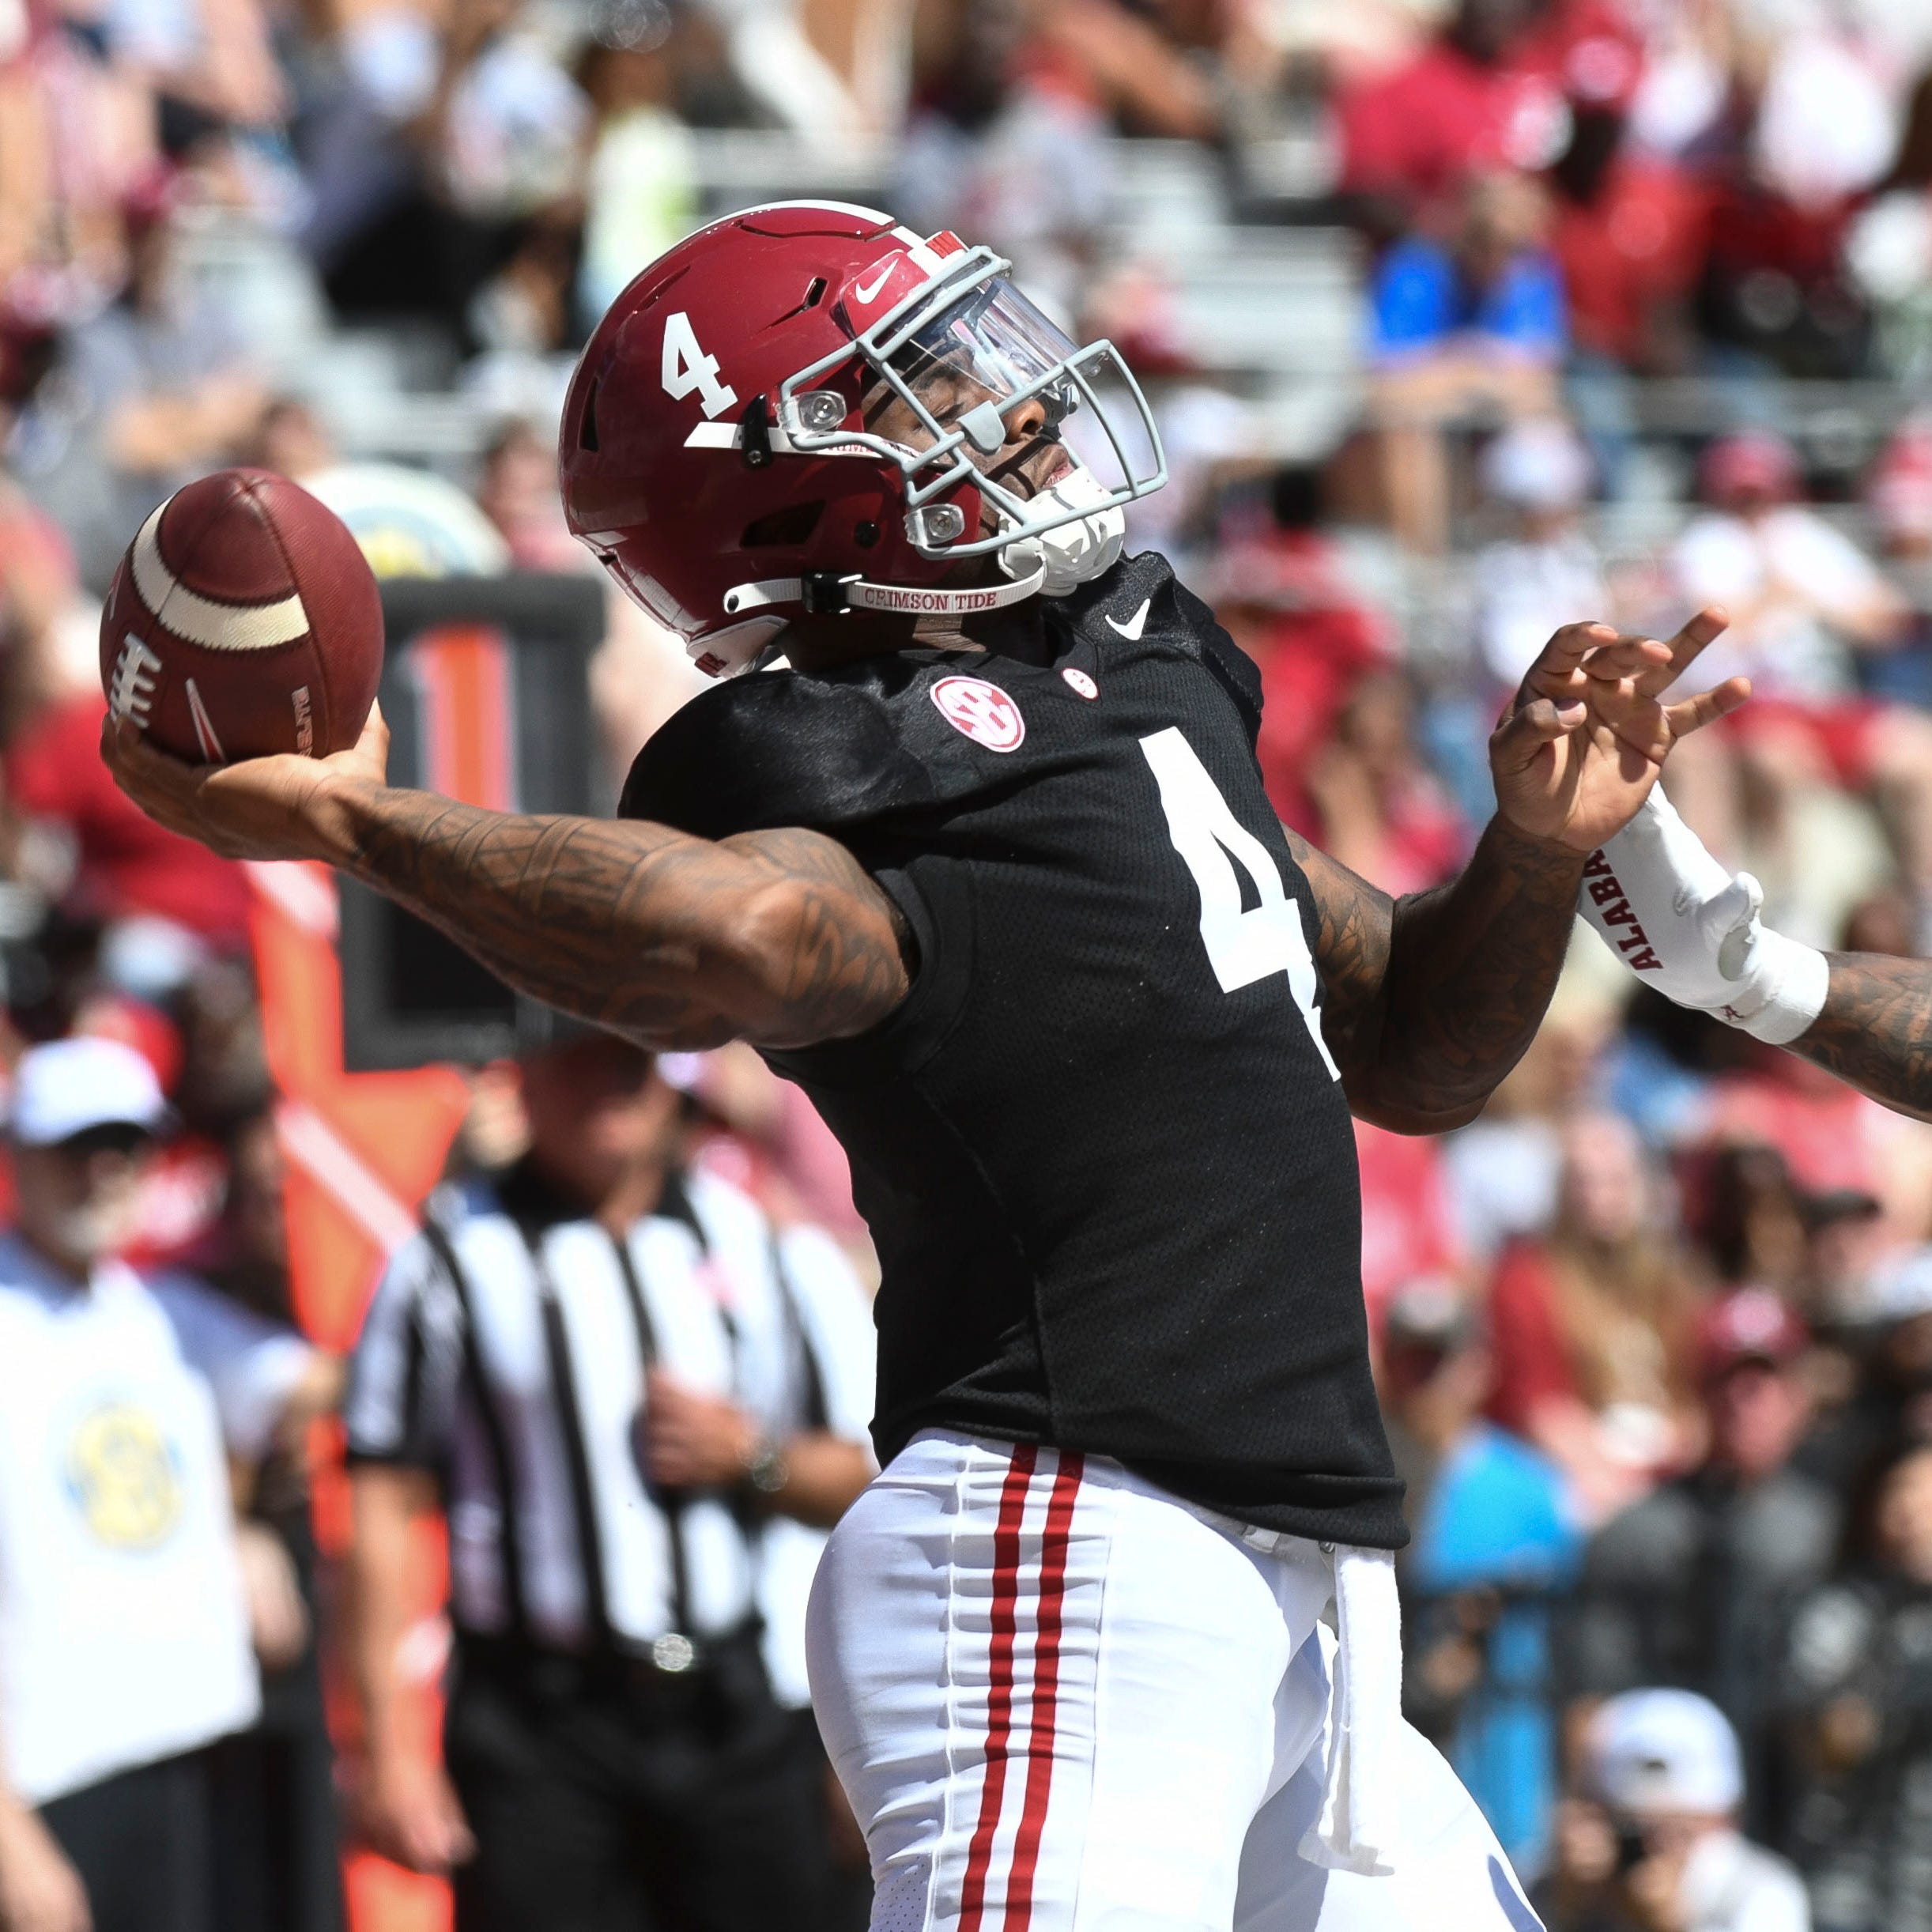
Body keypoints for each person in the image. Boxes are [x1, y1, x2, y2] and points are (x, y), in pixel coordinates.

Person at [104, 201, 1745, 1931]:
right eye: (917, 380)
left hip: (1296, 1591)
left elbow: (1407, 1045)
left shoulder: (1132, 656)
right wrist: (351, 813)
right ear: (790, 493)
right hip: (1068, 1538)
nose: (1007, 400)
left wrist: (1532, 851)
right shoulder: (835, 752)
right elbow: (733, 945)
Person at [341, 1032, 875, 1932]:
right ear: (525, 1078)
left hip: (730, 1707)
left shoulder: (755, 1240)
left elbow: (863, 1481)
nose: (608, 1087)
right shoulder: (448, 1256)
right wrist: (385, 1748)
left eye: (629, 1060)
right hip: (537, 1718)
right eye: (577, 1057)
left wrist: (750, 1457)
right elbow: (380, 1502)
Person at [0, 1038, 328, 1932]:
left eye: (126, 1143)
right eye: (77, 1144)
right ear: (19, 1154)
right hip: (56, 1785)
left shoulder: (161, 1308)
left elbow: (319, 1383)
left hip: (197, 1749)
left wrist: (243, 1529)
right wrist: (9, 1838)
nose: (105, 1169)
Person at [1562, 1289, 1840, 1843]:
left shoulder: (1834, 1530)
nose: (1746, 1398)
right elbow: (1591, 1702)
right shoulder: (1636, 1532)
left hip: (1801, 1818)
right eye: (1728, 1379)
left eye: (1764, 1380)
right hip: (1663, 1812)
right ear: (1700, 1393)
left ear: (1798, 1396)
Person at [1550, 1689, 1810, 1932]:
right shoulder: (1568, 1888)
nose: (1654, 1846)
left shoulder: (1763, 1891)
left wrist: (1672, 1926)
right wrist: (1561, 1906)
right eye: (1632, 1828)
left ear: (1725, 1820)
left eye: (1678, 1830)